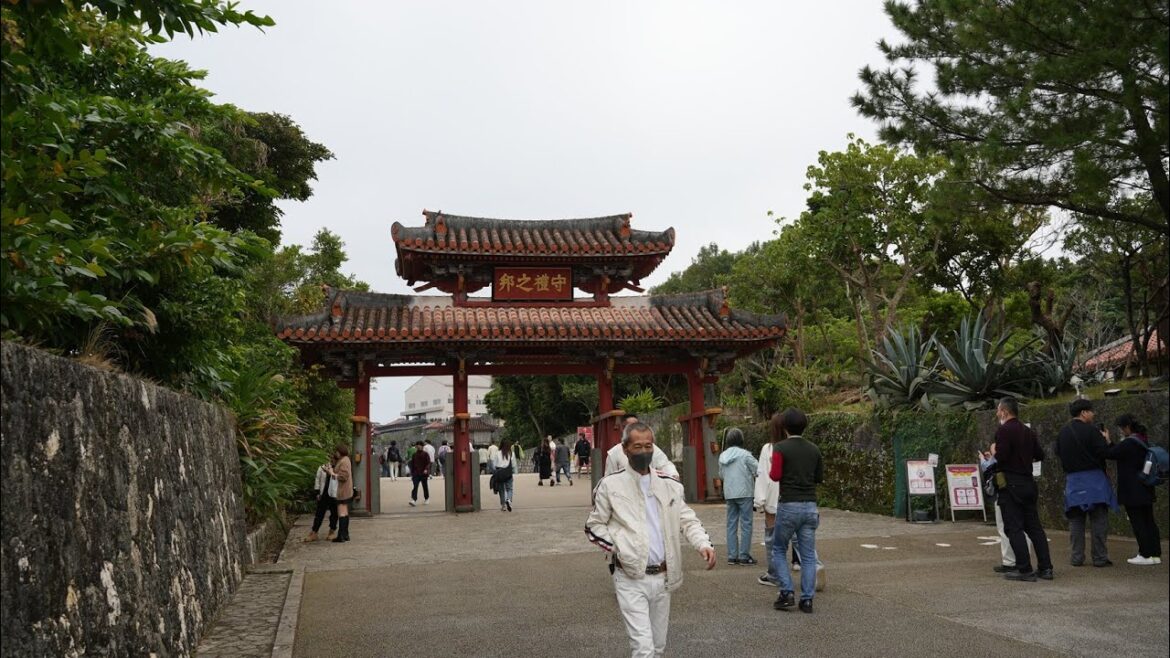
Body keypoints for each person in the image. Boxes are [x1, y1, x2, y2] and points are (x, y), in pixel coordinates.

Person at [585, 422, 716, 657]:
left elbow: (687, 519)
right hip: (630, 576)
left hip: (664, 576)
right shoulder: (610, 486)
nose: (644, 452)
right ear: (625, 449)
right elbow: (594, 526)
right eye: (637, 446)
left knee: (658, 646)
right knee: (643, 649)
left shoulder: (670, 484)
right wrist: (620, 546)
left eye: (648, 446)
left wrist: (703, 543)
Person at [768, 408, 823, 613]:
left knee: (779, 549)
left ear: (785, 427)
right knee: (808, 555)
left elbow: (775, 475)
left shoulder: (781, 448)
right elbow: (818, 477)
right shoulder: (814, 449)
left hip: (789, 504)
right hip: (810, 505)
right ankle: (807, 599)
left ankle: (787, 592)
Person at [993, 396, 1053, 581]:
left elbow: (1001, 457)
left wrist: (994, 450)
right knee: (1034, 527)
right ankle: (1046, 568)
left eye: (998, 410)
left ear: (1004, 411)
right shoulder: (1028, 431)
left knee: (1013, 527)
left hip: (1011, 485)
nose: (997, 414)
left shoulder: (1004, 431)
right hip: (1028, 483)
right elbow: (1040, 454)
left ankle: (1024, 569)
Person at [1056, 399, 1115, 567]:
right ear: (1083, 413)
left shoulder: (1063, 432)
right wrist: (1106, 440)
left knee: (1075, 520)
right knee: (1098, 520)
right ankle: (1099, 558)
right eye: (1091, 411)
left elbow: (1058, 452)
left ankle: (1076, 557)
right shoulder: (1092, 431)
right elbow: (1104, 453)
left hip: (1073, 482)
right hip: (1094, 481)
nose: (1093, 414)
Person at [1105, 414, 1162, 565]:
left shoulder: (1129, 443)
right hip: (1146, 487)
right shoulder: (1143, 440)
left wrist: (1107, 440)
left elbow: (1110, 454)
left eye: (1122, 428)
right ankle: (1155, 555)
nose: (1121, 431)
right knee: (1149, 521)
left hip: (1132, 490)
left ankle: (1144, 554)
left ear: (1127, 427)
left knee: (1138, 523)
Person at [979, 442, 1031, 573]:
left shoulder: (1003, 458)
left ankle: (1012, 562)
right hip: (1025, 491)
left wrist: (984, 461)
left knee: (1006, 528)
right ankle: (1020, 561)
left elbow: (990, 470)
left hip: (1005, 495)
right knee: (1024, 528)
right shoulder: (1024, 452)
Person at [718, 427, 758, 566]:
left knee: (731, 524)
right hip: (745, 492)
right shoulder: (745, 455)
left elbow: (721, 475)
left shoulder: (722, 456)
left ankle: (732, 555)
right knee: (746, 524)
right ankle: (744, 556)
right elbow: (758, 469)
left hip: (729, 493)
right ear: (741, 440)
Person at [605, 417, 678, 478]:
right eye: (637, 446)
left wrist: (672, 475)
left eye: (636, 425)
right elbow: (609, 478)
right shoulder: (613, 453)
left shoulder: (652, 448)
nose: (643, 451)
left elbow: (664, 464)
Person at [304, 451, 339, 542]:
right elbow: (317, 480)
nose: (331, 460)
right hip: (324, 494)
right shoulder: (322, 467)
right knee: (319, 514)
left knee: (334, 514)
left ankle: (332, 531)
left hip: (334, 494)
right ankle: (314, 532)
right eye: (330, 458)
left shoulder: (338, 468)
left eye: (333, 458)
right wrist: (317, 493)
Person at [325, 443, 353, 543]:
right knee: (345, 512)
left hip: (342, 490)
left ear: (340, 451)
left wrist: (331, 473)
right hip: (346, 490)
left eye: (336, 451)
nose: (335, 453)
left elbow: (343, 476)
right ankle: (345, 534)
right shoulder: (346, 460)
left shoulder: (343, 461)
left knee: (341, 512)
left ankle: (341, 535)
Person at [491, 439, 516, 512]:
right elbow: (514, 465)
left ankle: (503, 505)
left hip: (500, 473)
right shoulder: (511, 453)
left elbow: (494, 465)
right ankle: (509, 500)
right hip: (508, 473)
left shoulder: (497, 453)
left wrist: (495, 471)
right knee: (509, 488)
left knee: (501, 490)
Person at [409, 441, 432, 506]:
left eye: (420, 445)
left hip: (424, 473)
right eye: (417, 445)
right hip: (416, 473)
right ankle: (414, 500)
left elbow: (428, 463)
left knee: (424, 486)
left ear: (422, 446)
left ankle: (426, 498)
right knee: (415, 486)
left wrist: (426, 469)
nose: (418, 446)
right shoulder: (414, 455)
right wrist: (412, 473)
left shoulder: (425, 454)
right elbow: (412, 464)